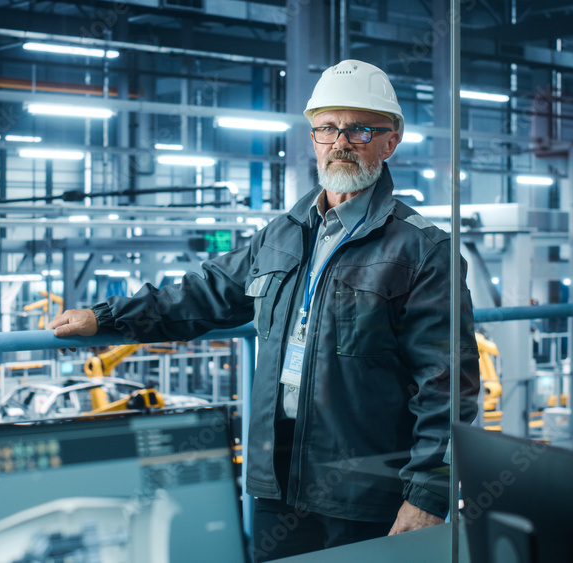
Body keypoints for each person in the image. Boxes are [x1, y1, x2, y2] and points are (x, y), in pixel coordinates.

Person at [48, 59, 480, 561]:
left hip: (365, 488)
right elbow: (205, 292)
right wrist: (108, 316)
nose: (340, 141)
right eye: (327, 127)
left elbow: (447, 385)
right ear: (313, 136)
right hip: (276, 482)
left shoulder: (423, 251)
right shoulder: (282, 233)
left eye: (360, 129)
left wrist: (428, 494)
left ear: (391, 140)